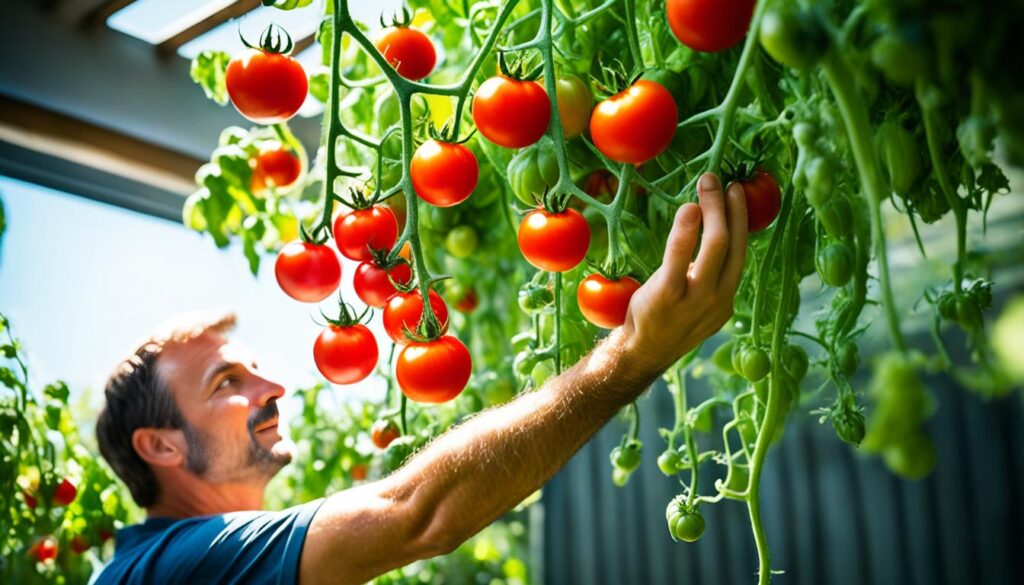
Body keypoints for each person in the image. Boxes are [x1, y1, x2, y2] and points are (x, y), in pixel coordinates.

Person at [92, 173, 747, 585]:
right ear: (161, 446)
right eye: (225, 380)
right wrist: (628, 353)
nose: (275, 389)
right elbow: (417, 514)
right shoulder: (169, 567)